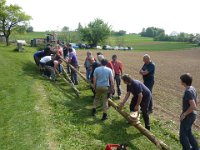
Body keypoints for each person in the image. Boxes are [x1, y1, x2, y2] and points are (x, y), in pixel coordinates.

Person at [179, 73, 199, 150]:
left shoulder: (188, 91)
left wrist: (184, 114)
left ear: (184, 82)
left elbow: (193, 106)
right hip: (193, 115)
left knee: (183, 136)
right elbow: (196, 102)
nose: (180, 81)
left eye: (181, 80)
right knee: (189, 133)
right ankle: (196, 148)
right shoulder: (192, 88)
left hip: (188, 116)